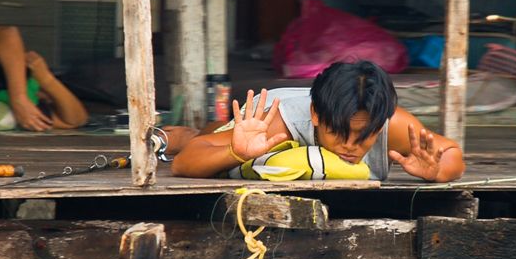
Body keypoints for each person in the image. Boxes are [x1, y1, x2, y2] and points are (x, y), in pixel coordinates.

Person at [171, 61, 464, 182]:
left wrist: (438, 171)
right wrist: (235, 152)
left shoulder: (389, 122)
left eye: (363, 137)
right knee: (212, 134)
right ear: (315, 115)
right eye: (338, 132)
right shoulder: (277, 121)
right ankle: (187, 132)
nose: (350, 147)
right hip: (273, 104)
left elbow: (451, 153)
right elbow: (183, 163)